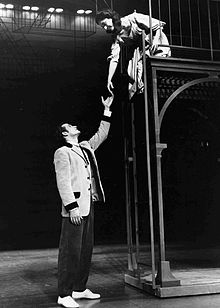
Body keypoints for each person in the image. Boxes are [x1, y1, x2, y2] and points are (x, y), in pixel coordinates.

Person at [54, 95, 114, 308]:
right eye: (70, 126)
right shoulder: (62, 153)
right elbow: (63, 183)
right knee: (70, 252)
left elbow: (103, 134)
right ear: (65, 133)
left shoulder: (86, 147)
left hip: (89, 206)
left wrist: (107, 110)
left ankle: (79, 289)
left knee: (85, 251)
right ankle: (64, 294)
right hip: (76, 209)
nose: (75, 125)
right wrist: (72, 208)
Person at [96, 9, 171, 99]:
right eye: (102, 27)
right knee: (133, 73)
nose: (104, 28)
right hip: (141, 50)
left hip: (155, 41)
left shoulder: (133, 18)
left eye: (104, 24)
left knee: (154, 69)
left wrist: (155, 40)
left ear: (111, 18)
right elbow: (114, 59)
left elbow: (157, 25)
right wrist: (109, 80)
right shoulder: (115, 36)